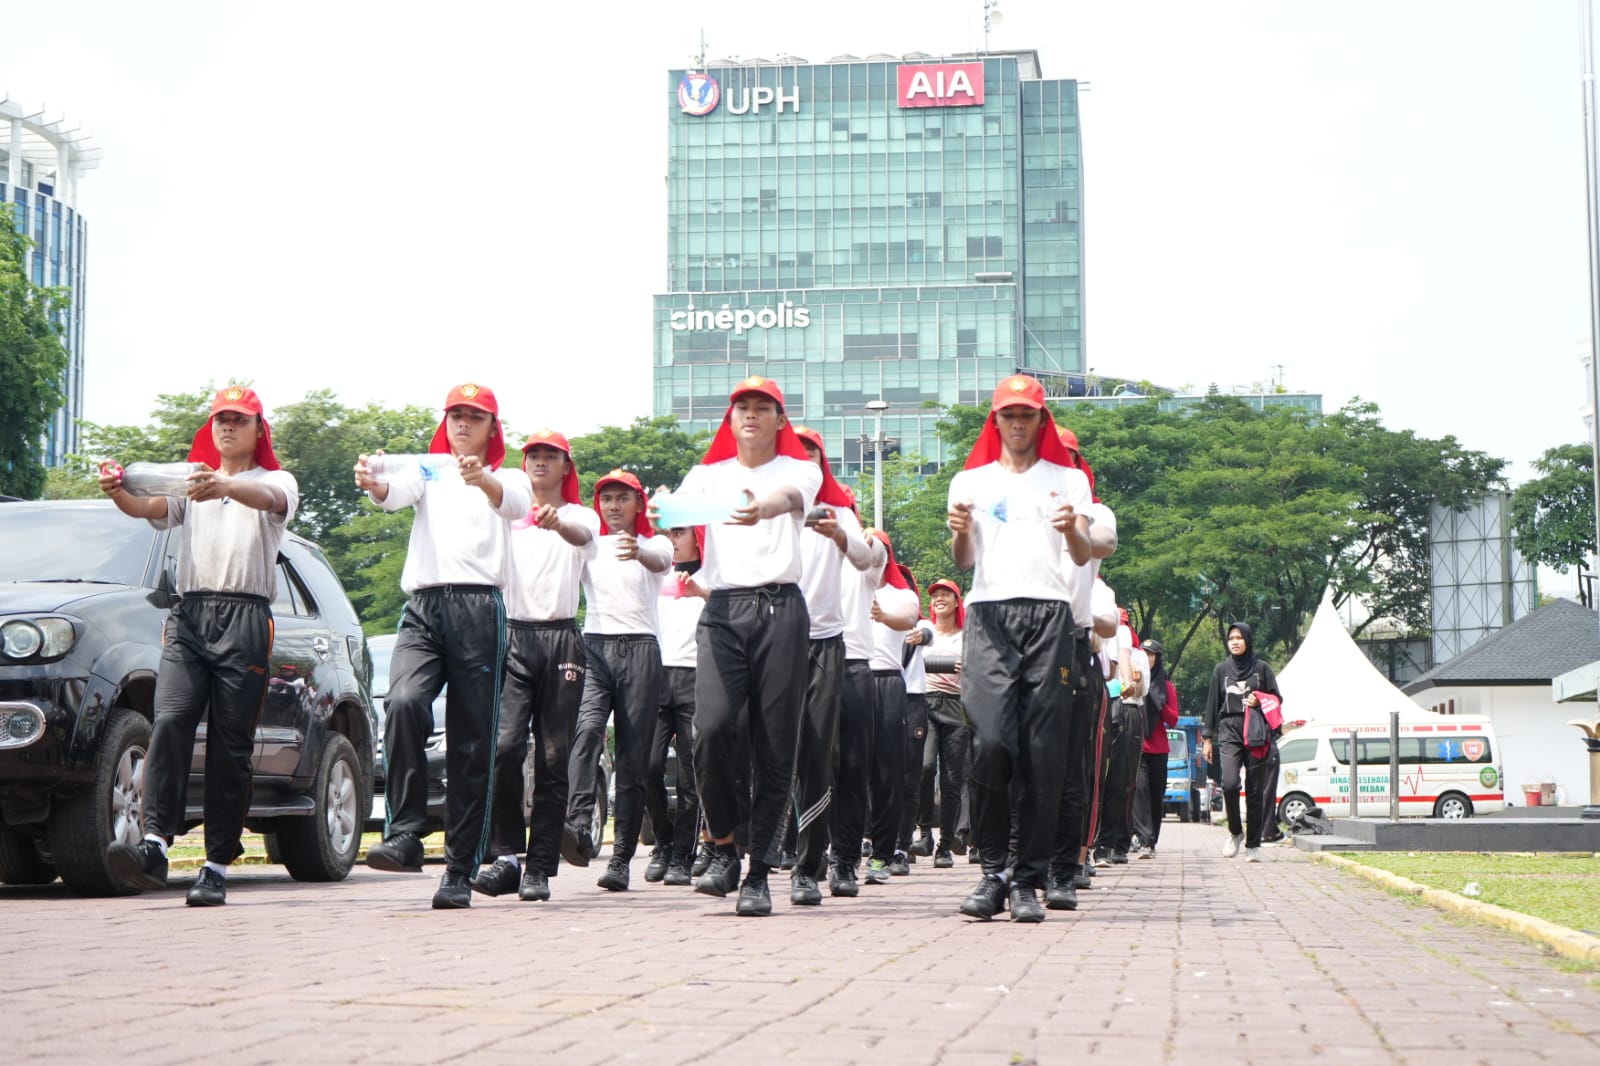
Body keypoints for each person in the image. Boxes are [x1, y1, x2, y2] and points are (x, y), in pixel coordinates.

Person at [102, 386, 300, 907]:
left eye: (239, 419)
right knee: (169, 722)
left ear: (259, 430)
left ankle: (215, 864)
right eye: (220, 420)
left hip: (246, 616)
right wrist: (116, 489)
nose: (227, 427)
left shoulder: (273, 481)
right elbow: (146, 505)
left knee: (230, 746)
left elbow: (268, 501)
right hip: (190, 614)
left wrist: (225, 486)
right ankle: (153, 844)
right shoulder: (191, 483)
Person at [355, 383, 532, 909]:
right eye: (455, 415)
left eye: (473, 417)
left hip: (481, 610)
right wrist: (373, 483)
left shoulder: (510, 475)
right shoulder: (428, 468)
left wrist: (485, 482)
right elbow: (393, 496)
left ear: (491, 428)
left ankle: (459, 869)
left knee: (472, 743)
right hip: (425, 608)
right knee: (404, 701)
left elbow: (514, 503)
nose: (461, 424)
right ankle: (405, 832)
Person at [657, 375, 821, 916]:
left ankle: (760, 873)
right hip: (724, 611)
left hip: (781, 610)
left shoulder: (800, 467)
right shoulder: (707, 475)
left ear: (779, 418)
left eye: (762, 407)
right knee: (712, 729)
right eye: (741, 407)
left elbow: (792, 498)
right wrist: (662, 511)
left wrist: (765, 508)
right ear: (730, 420)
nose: (750, 415)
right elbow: (671, 518)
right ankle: (723, 844)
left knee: (776, 744)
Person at [947, 374, 1093, 922]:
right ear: (996, 421)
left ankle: (1026, 880)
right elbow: (964, 559)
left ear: (1040, 421)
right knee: (989, 742)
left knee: (1043, 754)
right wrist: (960, 529)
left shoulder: (1068, 481)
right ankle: (991, 871)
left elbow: (1080, 555)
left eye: (1026, 415)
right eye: (1007, 415)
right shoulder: (970, 481)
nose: (1016, 424)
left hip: (1049, 616)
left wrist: (1073, 529)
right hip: (988, 615)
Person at [471, 430, 597, 903]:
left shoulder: (580, 516)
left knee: (552, 757)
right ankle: (505, 857)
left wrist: (557, 525)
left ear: (566, 466)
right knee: (504, 748)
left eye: (551, 456)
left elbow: (584, 536)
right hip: (512, 637)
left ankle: (540, 866)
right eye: (534, 456)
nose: (541, 462)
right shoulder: (504, 513)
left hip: (562, 638)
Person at [565, 469, 672, 892]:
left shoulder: (655, 542)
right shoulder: (588, 542)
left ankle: (623, 857)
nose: (613, 506)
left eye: (622, 498)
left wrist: (638, 553)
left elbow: (662, 561)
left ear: (638, 504)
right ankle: (576, 825)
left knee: (634, 759)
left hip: (641, 650)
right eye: (606, 498)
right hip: (595, 647)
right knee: (587, 731)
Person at [789, 426, 875, 905]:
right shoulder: (769, 507)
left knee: (826, 756)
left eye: (810, 455)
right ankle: (754, 859)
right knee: (774, 754)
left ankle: (821, 864)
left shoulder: (838, 509)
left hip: (826, 643)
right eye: (793, 454)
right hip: (773, 640)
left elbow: (866, 558)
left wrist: (841, 533)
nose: (801, 463)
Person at [644, 524, 707, 886]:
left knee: (689, 775)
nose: (671, 538)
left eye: (679, 531)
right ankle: (663, 843)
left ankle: (684, 853)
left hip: (696, 678)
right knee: (647, 766)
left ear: (697, 535)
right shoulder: (656, 573)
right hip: (656, 676)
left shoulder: (714, 574)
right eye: (665, 530)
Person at [864, 532, 921, 884]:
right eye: (864, 544)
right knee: (848, 769)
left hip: (887, 682)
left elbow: (908, 618)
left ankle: (882, 856)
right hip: (850, 678)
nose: (871, 552)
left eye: (878, 547)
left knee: (887, 773)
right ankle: (841, 850)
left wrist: (883, 616)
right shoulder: (846, 586)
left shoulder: (902, 594)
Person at [1203, 622, 1283, 862]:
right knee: (1228, 783)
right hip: (1229, 730)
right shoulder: (1221, 670)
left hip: (1256, 731)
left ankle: (1253, 845)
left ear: (1248, 640)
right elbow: (1211, 705)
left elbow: (1277, 698)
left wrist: (1260, 700)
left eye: (1239, 637)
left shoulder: (1262, 668)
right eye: (1231, 638)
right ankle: (1236, 832)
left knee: (1255, 790)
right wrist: (1208, 738)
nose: (1235, 642)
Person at [918, 579, 969, 868]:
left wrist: (968, 666)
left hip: (956, 704)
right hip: (926, 704)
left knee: (951, 779)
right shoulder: (924, 631)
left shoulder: (966, 636)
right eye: (935, 595)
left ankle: (945, 845)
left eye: (945, 594)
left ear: (956, 601)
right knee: (925, 767)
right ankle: (924, 832)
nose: (939, 598)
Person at [1130, 639, 1179, 857]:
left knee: (1155, 796)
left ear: (1157, 658)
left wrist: (1159, 703)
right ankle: (1144, 839)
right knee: (1139, 791)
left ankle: (1152, 841)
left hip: (1159, 748)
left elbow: (1174, 719)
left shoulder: (1167, 687)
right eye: (1144, 654)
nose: (1147, 659)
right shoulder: (1133, 679)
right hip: (1139, 745)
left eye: (1151, 655)